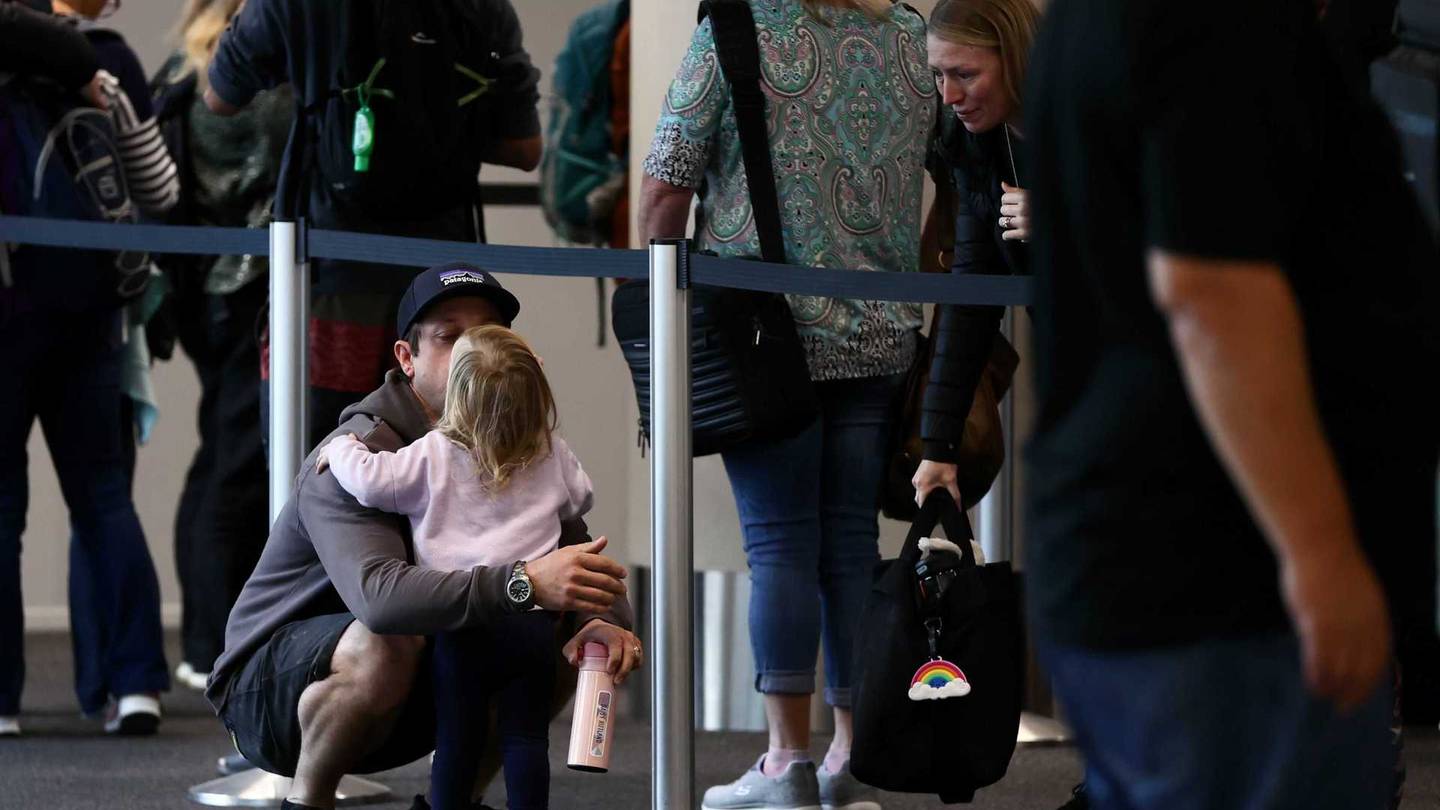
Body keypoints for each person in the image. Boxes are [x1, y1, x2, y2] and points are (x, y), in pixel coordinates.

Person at [1023, 1, 1440, 809]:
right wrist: (1320, 556)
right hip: (1226, 585)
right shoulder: (1210, 23)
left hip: (1176, 568)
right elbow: (1214, 296)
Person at [639, 1, 934, 807]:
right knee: (848, 546)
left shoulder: (740, 27)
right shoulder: (909, 33)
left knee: (778, 550)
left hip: (763, 344)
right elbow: (962, 164)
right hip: (881, 334)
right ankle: (846, 757)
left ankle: (784, 762)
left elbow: (667, 180)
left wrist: (660, 302)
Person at [206, 263, 640, 810]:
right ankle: (308, 799)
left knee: (550, 638)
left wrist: (602, 621)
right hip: (272, 689)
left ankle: (455, 802)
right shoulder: (358, 453)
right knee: (391, 639)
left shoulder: (517, 443)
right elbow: (382, 601)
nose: (472, 348)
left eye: (487, 332)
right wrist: (526, 584)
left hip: (427, 675)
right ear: (407, 360)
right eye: (449, 336)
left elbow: (578, 557)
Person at [203, 0, 543, 456]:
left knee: (316, 461)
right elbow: (525, 149)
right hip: (443, 295)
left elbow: (220, 96)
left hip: (328, 275)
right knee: (447, 463)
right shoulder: (485, 8)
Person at [317, 324, 609, 810]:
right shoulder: (550, 451)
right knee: (526, 738)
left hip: (463, 625)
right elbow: (582, 497)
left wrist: (341, 448)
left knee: (457, 735)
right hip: (533, 621)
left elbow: (371, 482)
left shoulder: (433, 453)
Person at [0, 0, 172, 739]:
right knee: (104, 501)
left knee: (1, 511)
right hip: (90, 313)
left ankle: (1, 700)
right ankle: (132, 685)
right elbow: (160, 191)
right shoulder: (107, 58)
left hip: (3, 315)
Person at [149, 0, 290, 692]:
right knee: (237, 464)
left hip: (206, 289)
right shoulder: (254, 78)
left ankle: (205, 639)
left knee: (219, 456)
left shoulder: (180, 68)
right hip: (254, 283)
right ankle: (215, 644)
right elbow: (282, 169)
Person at [911, 0, 1039, 514]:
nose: (951, 96)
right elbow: (970, 293)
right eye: (939, 75)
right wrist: (939, 448)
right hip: (1080, 376)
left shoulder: (1099, 118)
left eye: (966, 74)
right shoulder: (977, 141)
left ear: (1016, 59)